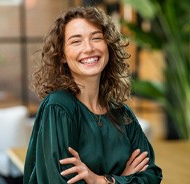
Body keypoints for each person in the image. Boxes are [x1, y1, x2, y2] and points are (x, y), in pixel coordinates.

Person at [24, 6, 162, 184]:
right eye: (76, 41)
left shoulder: (122, 113)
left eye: (96, 38)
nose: (88, 48)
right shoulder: (59, 107)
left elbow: (152, 176)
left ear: (108, 46)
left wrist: (102, 180)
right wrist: (125, 178)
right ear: (62, 55)